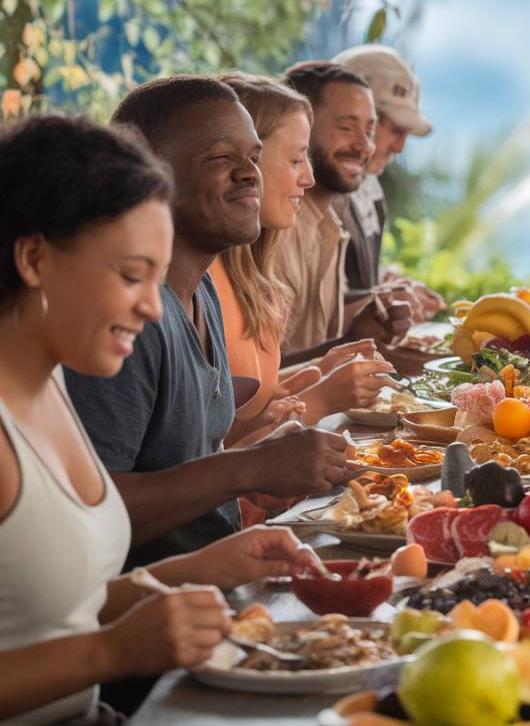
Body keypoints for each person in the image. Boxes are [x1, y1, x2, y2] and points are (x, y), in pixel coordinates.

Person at [0, 113, 326, 724]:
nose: (152, 307)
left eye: (157, 277)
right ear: (35, 259)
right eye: (130, 276)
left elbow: (52, 608)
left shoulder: (50, 394)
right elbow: (78, 638)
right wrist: (109, 653)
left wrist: (196, 570)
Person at [63, 76, 352, 569]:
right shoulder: (126, 316)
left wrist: (264, 463)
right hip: (140, 620)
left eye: (255, 158)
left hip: (219, 585)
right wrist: (246, 468)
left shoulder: (200, 291)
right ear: (147, 173)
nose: (249, 174)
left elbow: (193, 461)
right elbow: (83, 514)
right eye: (221, 158)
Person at [210, 73, 398, 437]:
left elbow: (244, 405)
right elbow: (211, 445)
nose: (309, 178)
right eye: (297, 160)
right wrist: (319, 398)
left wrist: (318, 367)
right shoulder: (203, 285)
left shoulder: (251, 271)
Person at [277, 60, 418, 364]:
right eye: (346, 128)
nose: (363, 146)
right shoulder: (273, 228)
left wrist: (375, 308)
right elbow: (249, 379)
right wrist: (348, 344)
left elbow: (314, 326)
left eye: (369, 131)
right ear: (299, 130)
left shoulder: (328, 223)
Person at [331, 44, 445, 323]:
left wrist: (389, 288)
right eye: (395, 130)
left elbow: (351, 283)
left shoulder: (370, 192)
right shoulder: (306, 195)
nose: (400, 148)